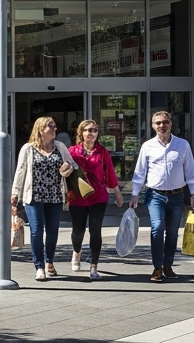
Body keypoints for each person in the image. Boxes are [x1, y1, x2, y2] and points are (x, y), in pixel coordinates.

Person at [130, 110, 194, 282]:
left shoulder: (183, 145)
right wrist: (134, 194)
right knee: (157, 227)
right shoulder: (147, 146)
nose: (162, 125)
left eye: (165, 122)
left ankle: (168, 265)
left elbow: (190, 171)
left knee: (173, 233)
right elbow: (140, 173)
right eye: (158, 123)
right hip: (155, 195)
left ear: (171, 123)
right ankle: (157, 267)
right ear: (153, 126)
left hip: (177, 196)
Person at [11, 116, 78, 282]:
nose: (55, 129)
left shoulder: (60, 146)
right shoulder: (28, 148)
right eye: (51, 127)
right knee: (37, 230)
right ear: (41, 130)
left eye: (55, 127)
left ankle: (49, 261)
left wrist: (67, 168)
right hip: (33, 196)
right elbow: (20, 171)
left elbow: (73, 165)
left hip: (55, 195)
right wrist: (15, 192)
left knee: (53, 231)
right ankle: (39, 266)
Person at [67, 119, 123, 280]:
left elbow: (110, 173)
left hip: (98, 196)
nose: (90, 133)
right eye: (87, 130)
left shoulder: (102, 151)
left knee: (95, 230)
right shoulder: (73, 151)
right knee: (78, 232)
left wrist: (117, 192)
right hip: (77, 196)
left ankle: (94, 266)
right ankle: (76, 251)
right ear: (81, 133)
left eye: (94, 130)